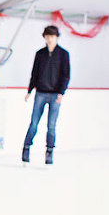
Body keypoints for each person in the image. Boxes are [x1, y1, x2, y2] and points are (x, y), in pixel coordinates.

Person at [22, 25, 70, 165]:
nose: (50, 39)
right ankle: (26, 147)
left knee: (51, 125)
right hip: (41, 93)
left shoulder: (63, 54)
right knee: (34, 123)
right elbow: (34, 73)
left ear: (57, 37)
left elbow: (66, 75)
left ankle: (49, 151)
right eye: (47, 36)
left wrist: (61, 92)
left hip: (55, 95)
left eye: (52, 37)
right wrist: (29, 90)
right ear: (44, 37)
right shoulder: (40, 54)